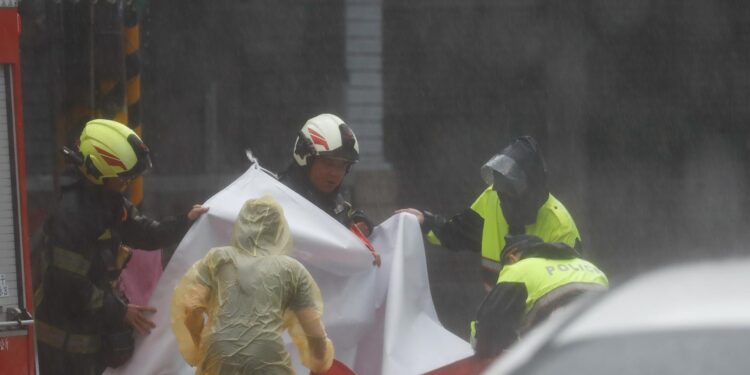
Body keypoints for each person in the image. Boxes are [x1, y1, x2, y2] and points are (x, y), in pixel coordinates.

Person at [33, 119, 208, 375]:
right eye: (124, 178)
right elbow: (67, 286)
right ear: (98, 172)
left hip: (88, 344)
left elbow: (146, 233)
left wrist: (185, 222)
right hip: (63, 355)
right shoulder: (71, 217)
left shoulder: (109, 202)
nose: (128, 184)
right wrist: (119, 311)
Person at [171, 196, 334, 375]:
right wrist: (319, 361)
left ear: (240, 225)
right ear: (279, 230)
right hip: (265, 355)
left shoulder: (218, 259)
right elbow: (314, 332)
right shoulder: (292, 270)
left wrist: (198, 346)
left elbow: (190, 306)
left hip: (218, 351)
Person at [397, 136, 581, 288]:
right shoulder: (492, 198)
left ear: (532, 191)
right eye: (502, 193)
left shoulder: (559, 226)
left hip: (539, 327)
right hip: (494, 323)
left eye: (512, 193)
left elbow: (566, 294)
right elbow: (459, 232)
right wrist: (425, 221)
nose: (504, 200)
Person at [471, 235, 608, 358]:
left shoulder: (519, 268)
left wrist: (477, 343)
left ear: (512, 257)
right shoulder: (590, 267)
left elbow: (489, 325)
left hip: (564, 350)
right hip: (605, 340)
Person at [278, 113, 380, 265]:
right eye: (328, 163)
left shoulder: (336, 203)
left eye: (342, 165)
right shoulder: (275, 203)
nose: (335, 173)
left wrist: (357, 224)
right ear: (305, 157)